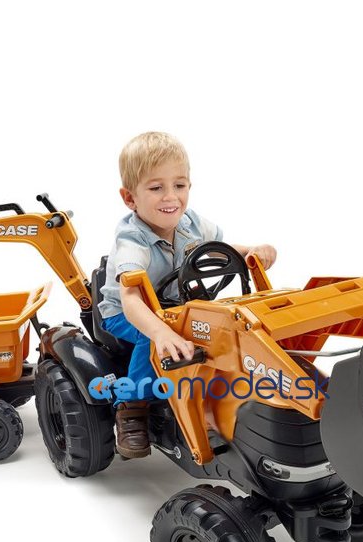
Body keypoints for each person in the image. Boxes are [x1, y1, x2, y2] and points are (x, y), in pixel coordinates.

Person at [97, 131, 277, 458]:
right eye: (156, 188)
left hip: (177, 306)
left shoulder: (191, 223)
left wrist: (252, 250)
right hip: (125, 313)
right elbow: (132, 300)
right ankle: (132, 408)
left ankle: (221, 393)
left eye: (179, 185)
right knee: (154, 340)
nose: (171, 197)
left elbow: (218, 250)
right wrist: (160, 332)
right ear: (130, 198)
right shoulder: (132, 241)